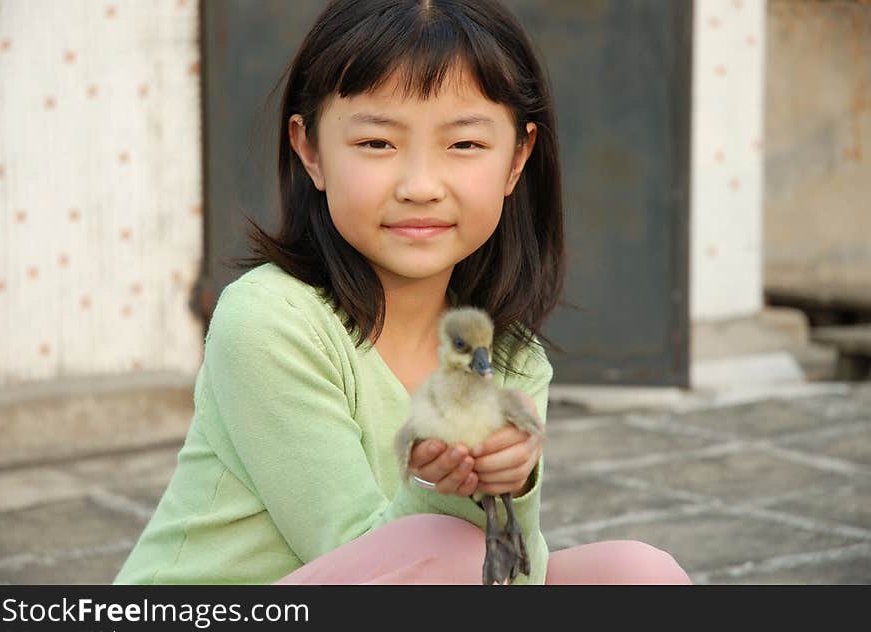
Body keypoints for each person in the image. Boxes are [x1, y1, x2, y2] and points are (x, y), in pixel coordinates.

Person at [114, 0, 690, 585]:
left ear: (517, 159)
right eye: (377, 144)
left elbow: (512, 578)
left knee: (639, 575)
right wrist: (436, 487)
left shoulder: (507, 356)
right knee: (451, 549)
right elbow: (369, 555)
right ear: (311, 150)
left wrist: (508, 485)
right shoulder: (268, 321)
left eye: (463, 145)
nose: (420, 186)